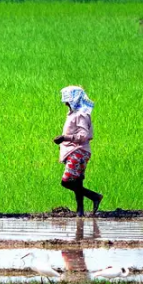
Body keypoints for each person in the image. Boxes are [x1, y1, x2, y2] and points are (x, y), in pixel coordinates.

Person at [54, 85, 103, 217]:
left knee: (66, 181)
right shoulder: (73, 114)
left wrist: (65, 138)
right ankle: (80, 212)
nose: (64, 101)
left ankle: (94, 196)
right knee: (77, 181)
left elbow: (83, 135)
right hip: (74, 151)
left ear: (73, 99)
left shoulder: (81, 115)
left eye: (67, 98)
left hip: (78, 151)